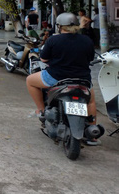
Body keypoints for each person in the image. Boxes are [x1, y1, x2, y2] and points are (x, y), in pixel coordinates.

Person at [25, 12, 100, 145]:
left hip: (56, 78)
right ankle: (92, 131)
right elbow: (90, 58)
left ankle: (41, 110)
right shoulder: (87, 40)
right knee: (91, 101)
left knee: (30, 81)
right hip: (83, 80)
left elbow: (43, 59)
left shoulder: (54, 40)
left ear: (59, 26)